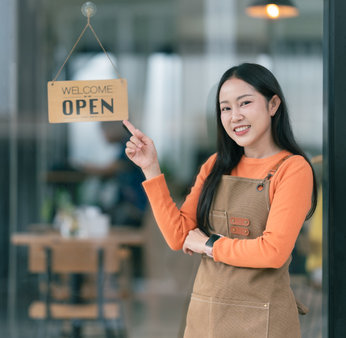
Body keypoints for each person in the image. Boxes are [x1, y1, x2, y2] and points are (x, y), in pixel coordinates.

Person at [123, 63, 317, 338]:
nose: (234, 116)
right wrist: (150, 168)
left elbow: (274, 252)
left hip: (264, 322)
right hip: (207, 317)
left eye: (245, 103)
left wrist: (208, 245)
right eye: (225, 108)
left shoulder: (293, 169)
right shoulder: (216, 165)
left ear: (273, 105)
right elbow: (178, 236)